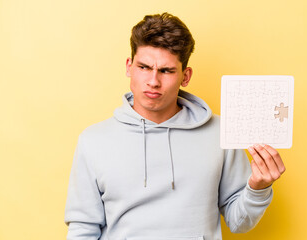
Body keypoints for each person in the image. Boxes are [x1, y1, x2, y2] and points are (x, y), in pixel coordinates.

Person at [64, 12, 286, 240]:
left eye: (166, 71)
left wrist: (258, 187)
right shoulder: (93, 140)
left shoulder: (221, 133)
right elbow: (82, 230)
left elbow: (239, 223)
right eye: (144, 67)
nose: (153, 81)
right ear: (129, 67)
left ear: (185, 76)